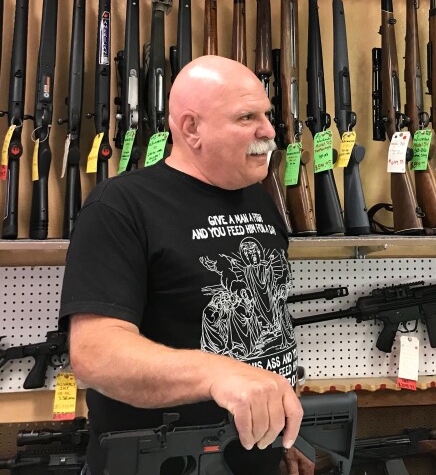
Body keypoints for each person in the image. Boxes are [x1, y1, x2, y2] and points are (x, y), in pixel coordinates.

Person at [60, 56, 312, 474]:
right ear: (191, 128)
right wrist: (218, 375)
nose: (268, 131)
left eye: (266, 115)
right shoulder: (120, 205)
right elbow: (95, 353)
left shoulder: (259, 199)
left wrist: (283, 436)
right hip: (162, 464)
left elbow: (267, 320)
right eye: (247, 117)